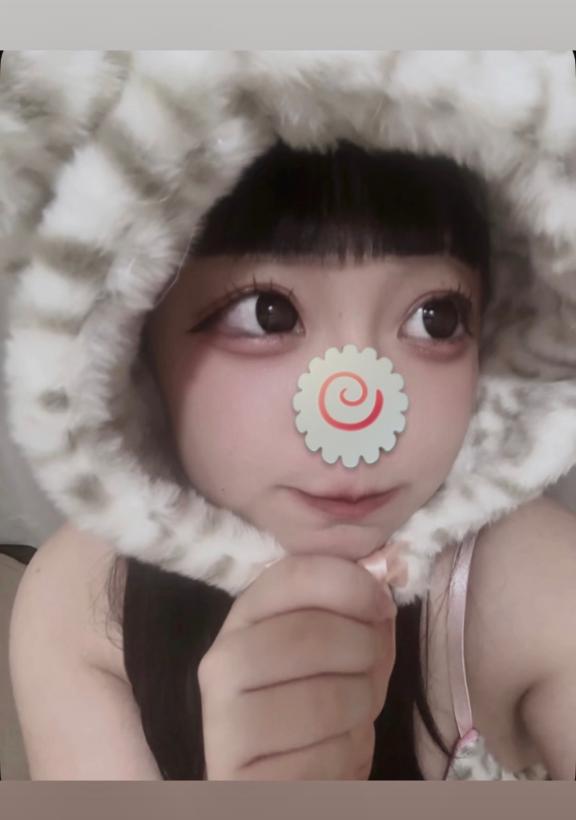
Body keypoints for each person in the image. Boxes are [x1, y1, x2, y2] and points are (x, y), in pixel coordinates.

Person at [4, 52, 576, 781]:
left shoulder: (544, 585)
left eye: (435, 317)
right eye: (267, 313)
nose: (360, 422)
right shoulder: (80, 604)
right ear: (131, 354)